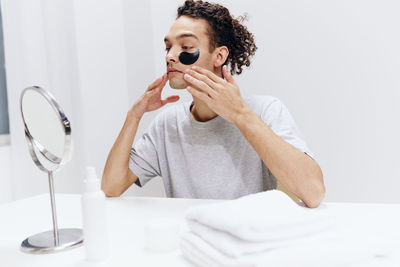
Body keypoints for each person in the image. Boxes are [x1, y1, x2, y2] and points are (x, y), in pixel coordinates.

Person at [102, 0, 325, 208]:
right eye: (168, 47)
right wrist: (134, 116)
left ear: (219, 57)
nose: (171, 56)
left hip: (245, 243)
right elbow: (111, 188)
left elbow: (313, 193)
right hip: (191, 242)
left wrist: (240, 114)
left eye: (186, 47)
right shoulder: (168, 124)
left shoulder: (264, 110)